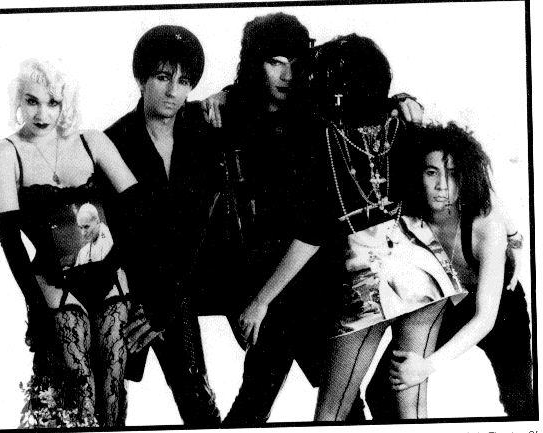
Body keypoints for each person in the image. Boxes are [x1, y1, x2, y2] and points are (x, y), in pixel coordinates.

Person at [231, 32, 472, 422]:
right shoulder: (408, 128)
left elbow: (310, 234)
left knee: (332, 412)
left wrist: (261, 300)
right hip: (426, 272)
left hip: (370, 277)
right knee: (412, 408)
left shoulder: (325, 141)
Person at [199, 13, 425, 426]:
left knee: (329, 400)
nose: (288, 75)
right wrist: (222, 95)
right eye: (275, 62)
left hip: (313, 280)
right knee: (269, 396)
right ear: (254, 64)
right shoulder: (230, 117)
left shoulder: (317, 110)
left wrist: (400, 100)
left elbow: (364, 98)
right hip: (260, 278)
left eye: (295, 63)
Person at [0, 58, 141, 427]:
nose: (42, 114)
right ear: (18, 100)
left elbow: (138, 207)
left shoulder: (91, 141)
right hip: (55, 283)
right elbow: (10, 240)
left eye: (53, 102)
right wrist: (35, 306)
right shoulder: (4, 152)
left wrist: (121, 261)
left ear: (65, 103)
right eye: (32, 101)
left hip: (110, 275)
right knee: (80, 393)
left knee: (112, 388)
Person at [362, 122, 534, 419]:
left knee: (520, 402)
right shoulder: (408, 209)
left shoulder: (485, 223)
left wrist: (427, 367)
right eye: (432, 173)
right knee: (382, 391)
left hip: (501, 310)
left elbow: (485, 319)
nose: (442, 186)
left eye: (453, 174)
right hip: (448, 303)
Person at [103, 25, 222, 427]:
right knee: (108, 399)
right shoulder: (114, 142)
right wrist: (147, 303)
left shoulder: (201, 134)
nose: (173, 91)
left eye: (183, 81)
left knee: (197, 400)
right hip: (132, 290)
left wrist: (163, 306)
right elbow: (119, 237)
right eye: (163, 77)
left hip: (180, 288)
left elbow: (198, 230)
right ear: (141, 79)